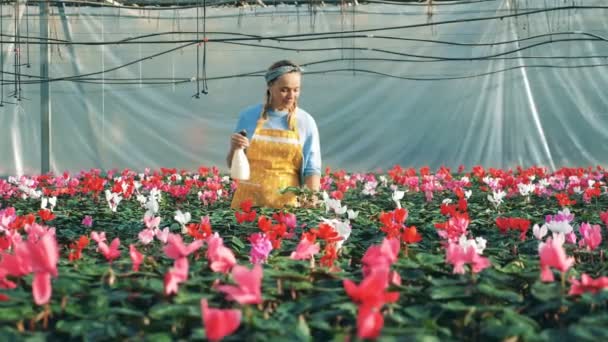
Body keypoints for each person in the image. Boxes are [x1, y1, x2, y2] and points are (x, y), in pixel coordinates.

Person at [227, 60, 321, 209]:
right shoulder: (248, 117)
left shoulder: (305, 122)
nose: (291, 95)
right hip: (247, 205)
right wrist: (234, 148)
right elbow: (234, 166)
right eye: (284, 89)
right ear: (270, 86)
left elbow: (312, 169)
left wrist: (312, 198)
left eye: (296, 90)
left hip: (287, 207)